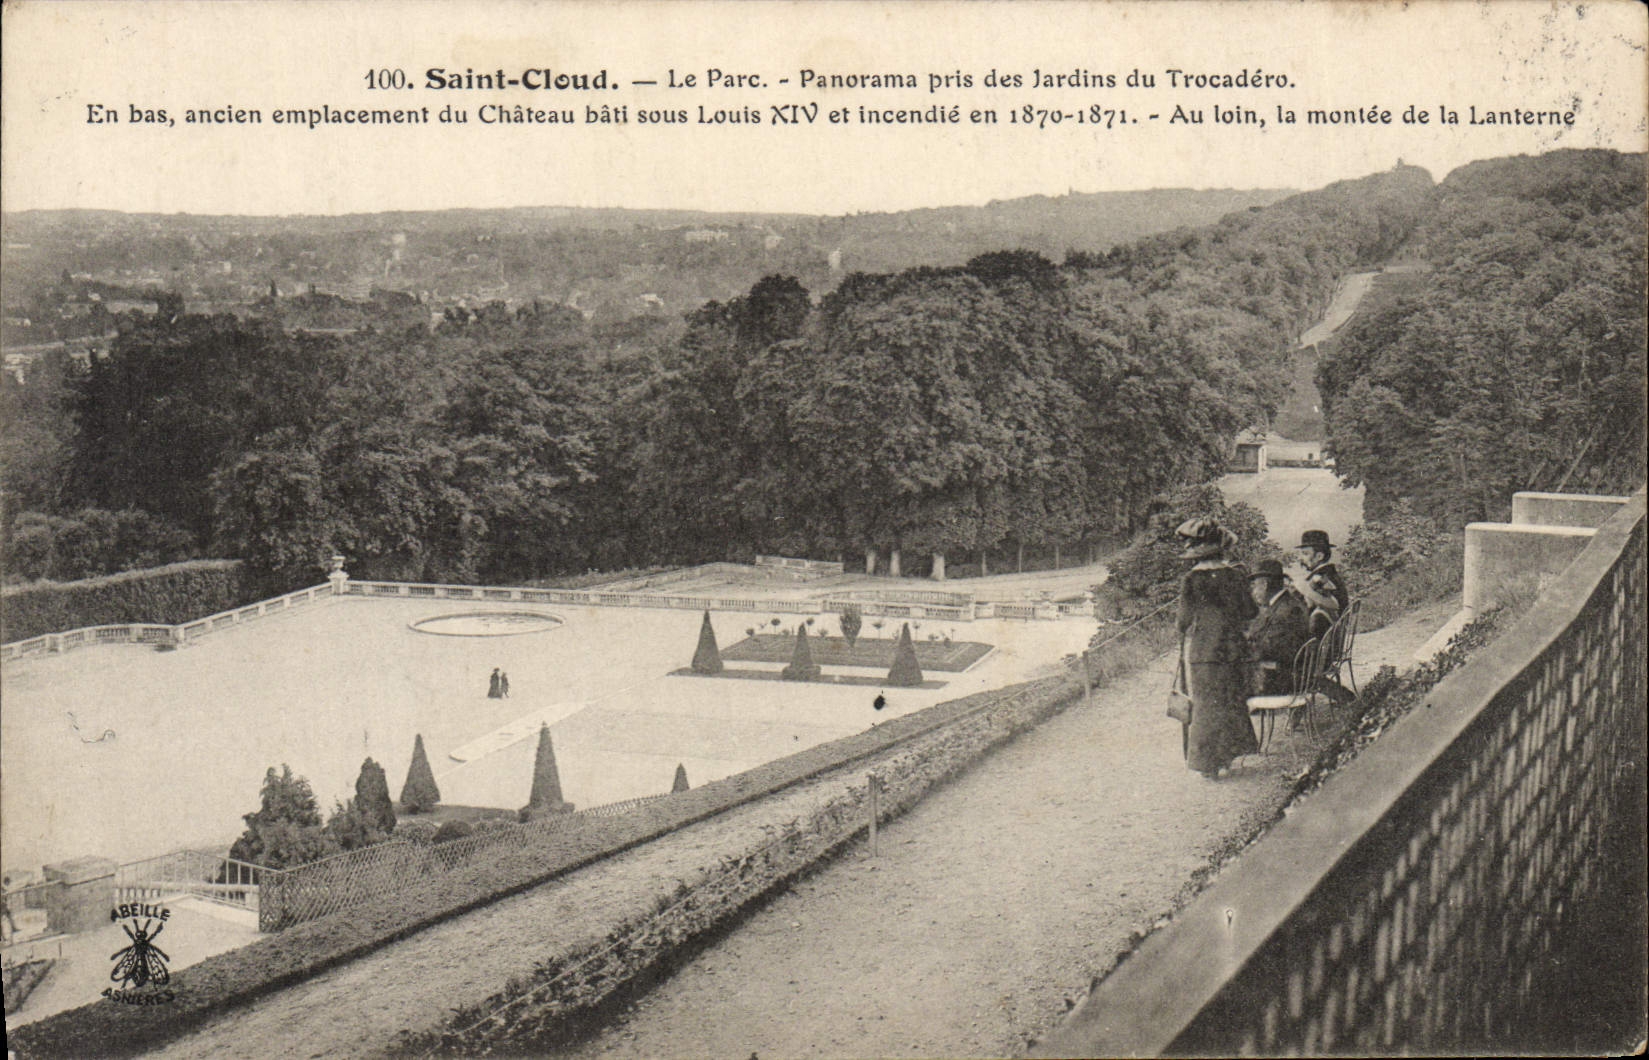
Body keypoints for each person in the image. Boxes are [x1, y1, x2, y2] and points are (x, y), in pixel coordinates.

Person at [1175, 518, 1259, 778]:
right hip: (1233, 650)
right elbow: (1250, 611)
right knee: (1229, 702)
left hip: (1204, 653)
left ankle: (1207, 764)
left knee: (1205, 706)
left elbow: (1182, 621)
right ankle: (1226, 757)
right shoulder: (1235, 575)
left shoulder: (1191, 580)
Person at [1246, 558, 1311, 696]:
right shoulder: (1285, 604)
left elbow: (1271, 648)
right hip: (1286, 672)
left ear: (1264, 584)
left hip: (1283, 679)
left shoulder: (1286, 610)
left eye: (1254, 586)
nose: (1253, 592)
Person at [1293, 529, 1349, 640]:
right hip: (1334, 639)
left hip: (1321, 644)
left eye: (1305, 554)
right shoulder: (1332, 574)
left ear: (1319, 556)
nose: (1300, 558)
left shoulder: (1321, 578)